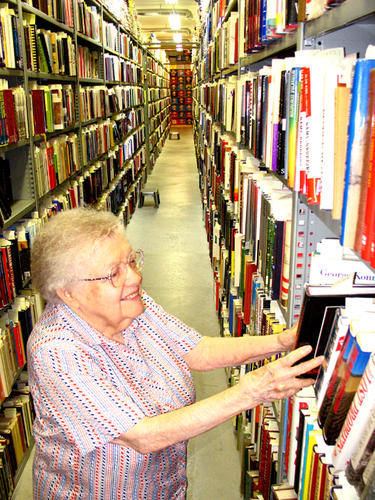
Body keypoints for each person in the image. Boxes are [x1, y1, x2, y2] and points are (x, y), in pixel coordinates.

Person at [27, 207, 323, 499]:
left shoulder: (132, 306)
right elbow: (143, 436)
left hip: (163, 486)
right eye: (113, 273)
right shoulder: (56, 351)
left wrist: (282, 341)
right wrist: (252, 392)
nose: (134, 278)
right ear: (67, 293)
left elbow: (199, 350)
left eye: (131, 261)